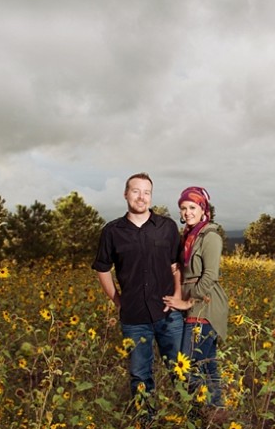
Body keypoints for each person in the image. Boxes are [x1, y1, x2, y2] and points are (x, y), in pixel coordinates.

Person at [92, 172, 184, 409]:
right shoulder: (112, 231)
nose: (141, 197)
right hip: (134, 319)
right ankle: (145, 428)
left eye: (146, 192)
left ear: (151, 197)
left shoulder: (167, 227)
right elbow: (102, 269)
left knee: (182, 371)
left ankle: (195, 425)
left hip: (168, 314)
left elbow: (177, 265)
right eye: (136, 191)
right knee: (140, 376)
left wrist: (177, 295)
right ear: (125, 194)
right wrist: (118, 300)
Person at [164, 186, 228, 411]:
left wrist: (187, 302)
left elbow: (210, 275)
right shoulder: (189, 236)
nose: (187, 212)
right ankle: (217, 412)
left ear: (203, 209)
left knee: (188, 364)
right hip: (197, 305)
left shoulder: (210, 236)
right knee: (208, 364)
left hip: (206, 305)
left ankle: (198, 411)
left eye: (192, 207)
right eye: (183, 208)